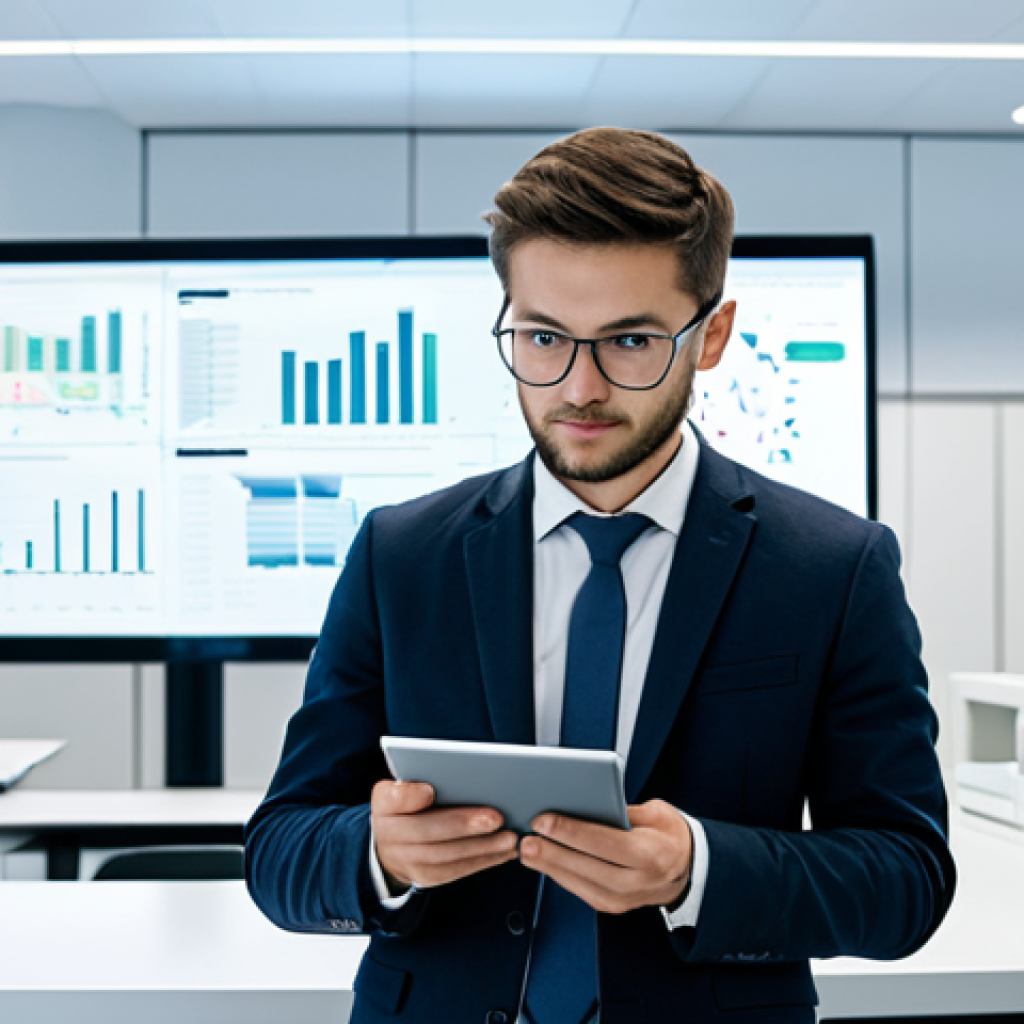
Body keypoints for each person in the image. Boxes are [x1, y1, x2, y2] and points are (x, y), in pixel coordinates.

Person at [244, 127, 956, 1024]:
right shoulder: (402, 556)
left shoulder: (833, 568)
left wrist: (699, 869)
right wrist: (377, 854)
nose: (577, 388)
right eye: (542, 337)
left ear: (712, 336)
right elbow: (278, 852)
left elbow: (907, 879)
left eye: (628, 342)